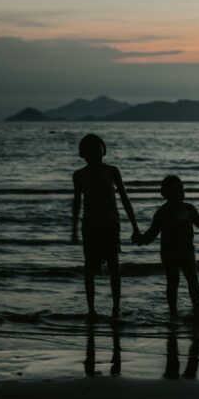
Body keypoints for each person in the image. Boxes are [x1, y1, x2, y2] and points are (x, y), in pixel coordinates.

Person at [72, 133, 141, 320]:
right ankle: (91, 309)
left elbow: (125, 199)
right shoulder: (79, 175)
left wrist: (135, 226)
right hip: (90, 226)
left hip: (111, 225)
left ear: (103, 150)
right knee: (89, 268)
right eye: (90, 148)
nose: (94, 151)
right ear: (83, 153)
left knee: (114, 267)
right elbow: (77, 203)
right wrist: (73, 229)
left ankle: (116, 308)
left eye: (97, 147)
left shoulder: (112, 171)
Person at [134, 175, 199, 320]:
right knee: (173, 282)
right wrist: (140, 239)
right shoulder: (162, 213)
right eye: (173, 191)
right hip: (169, 253)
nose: (177, 194)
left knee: (192, 279)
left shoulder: (189, 209)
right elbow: (151, 235)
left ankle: (196, 308)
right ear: (165, 194)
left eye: (180, 190)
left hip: (187, 250)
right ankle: (173, 312)